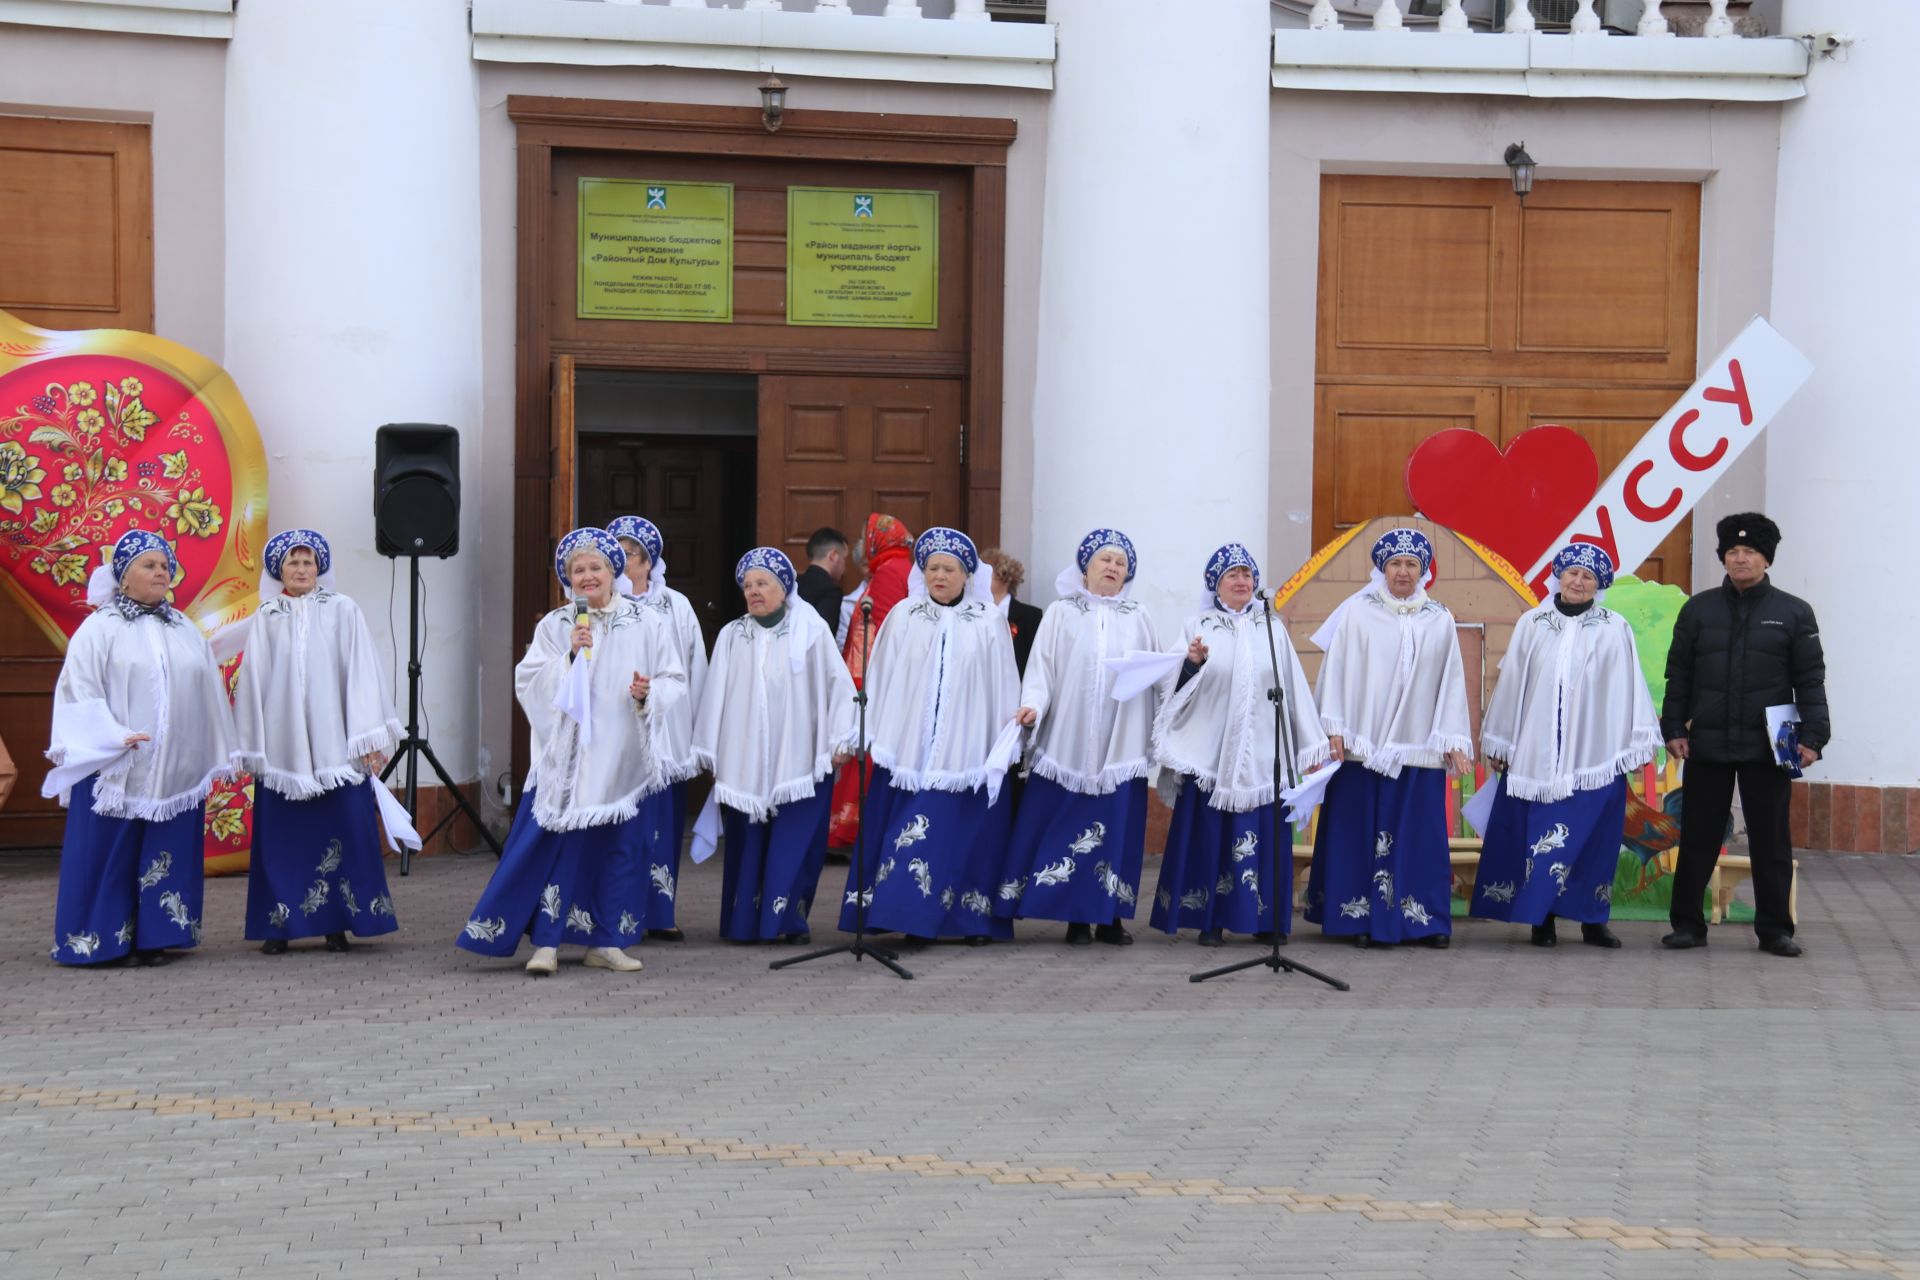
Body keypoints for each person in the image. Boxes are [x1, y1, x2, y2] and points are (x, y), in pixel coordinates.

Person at [456, 528, 678, 976]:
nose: (588, 576)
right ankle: (547, 944)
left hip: (621, 760)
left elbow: (673, 678)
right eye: (578, 570)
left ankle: (607, 943)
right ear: (568, 578)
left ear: (613, 571)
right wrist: (567, 661)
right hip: (569, 763)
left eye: (596, 567)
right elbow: (529, 682)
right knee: (563, 850)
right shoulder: (556, 625)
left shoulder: (647, 621)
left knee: (619, 851)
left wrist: (646, 694)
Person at [44, 529, 237, 967]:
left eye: (165, 566)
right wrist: (112, 734)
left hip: (173, 769)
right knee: (111, 851)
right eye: (149, 565)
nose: (160, 573)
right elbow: (78, 692)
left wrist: (217, 747)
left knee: (163, 850)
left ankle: (155, 937)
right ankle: (101, 941)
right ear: (123, 577)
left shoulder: (184, 627)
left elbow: (208, 690)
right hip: (116, 766)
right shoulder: (99, 628)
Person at [1470, 544, 1659, 949]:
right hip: (1538, 757)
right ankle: (1543, 920)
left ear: (1600, 585)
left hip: (1596, 755)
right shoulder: (1533, 622)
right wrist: (1502, 739)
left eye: (1588, 576)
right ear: (1558, 576)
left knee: (1595, 842)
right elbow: (1513, 684)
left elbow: (1629, 687)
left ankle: (1593, 920)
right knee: (1540, 839)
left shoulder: (1614, 627)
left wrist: (1637, 739)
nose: (1578, 581)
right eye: (1572, 573)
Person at [838, 528, 1020, 947]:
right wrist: (868, 732)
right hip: (909, 750)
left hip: (967, 748)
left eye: (949, 569)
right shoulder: (904, 615)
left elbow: (1003, 684)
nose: (940, 575)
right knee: (912, 832)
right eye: (933, 568)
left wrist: (1006, 739)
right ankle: (913, 919)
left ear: (967, 574)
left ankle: (970, 922)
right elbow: (881, 676)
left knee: (965, 839)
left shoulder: (988, 619)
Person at [1661, 513, 1827, 958]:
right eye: (1732, 552)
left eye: (1749, 551)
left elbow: (1810, 680)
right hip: (1709, 739)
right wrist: (1674, 728)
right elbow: (1678, 674)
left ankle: (1775, 930)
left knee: (1771, 838)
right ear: (1723, 558)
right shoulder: (1698, 609)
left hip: (1774, 740)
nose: (1740, 559)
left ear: (1766, 559)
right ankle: (1688, 925)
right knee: (1698, 834)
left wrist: (1813, 737)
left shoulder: (1793, 612)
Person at [232, 529, 403, 955]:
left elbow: (362, 671)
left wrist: (365, 736)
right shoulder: (267, 616)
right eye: (293, 562)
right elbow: (253, 681)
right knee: (282, 838)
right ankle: (279, 926)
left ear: (320, 567)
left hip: (336, 748)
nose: (302, 569)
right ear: (280, 570)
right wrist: (254, 745)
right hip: (283, 751)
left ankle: (337, 923)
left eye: (309, 562)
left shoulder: (343, 610)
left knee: (342, 830)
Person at [1150, 544, 1330, 946]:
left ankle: (1267, 922)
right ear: (1215, 583)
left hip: (1264, 755)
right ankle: (1209, 920)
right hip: (1210, 754)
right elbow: (1169, 689)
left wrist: (1309, 744)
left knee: (1264, 839)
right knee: (1211, 838)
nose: (1241, 581)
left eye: (1247, 575)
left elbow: (1294, 687)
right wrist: (1191, 663)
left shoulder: (1272, 627)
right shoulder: (1197, 624)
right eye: (1232, 575)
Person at [1303, 528, 1472, 949]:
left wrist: (1452, 738)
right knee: (1357, 833)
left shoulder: (1440, 618)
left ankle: (1424, 920)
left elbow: (1451, 680)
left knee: (1420, 836)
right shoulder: (1357, 613)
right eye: (1395, 564)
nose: (1402, 572)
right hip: (1364, 747)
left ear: (1424, 571)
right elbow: (1337, 672)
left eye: (1411, 564)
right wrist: (1334, 729)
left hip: (1417, 748)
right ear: (1381, 568)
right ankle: (1354, 918)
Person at [995, 528, 1160, 946]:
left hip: (1121, 742)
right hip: (1068, 740)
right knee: (1067, 825)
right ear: (1084, 567)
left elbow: (1159, 675)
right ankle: (1075, 918)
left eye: (1121, 563)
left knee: (1116, 828)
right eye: (1105, 560)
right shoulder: (1061, 613)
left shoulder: (1139, 615)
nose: (1112, 568)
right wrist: (1033, 704)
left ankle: (1110, 918)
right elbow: (1042, 670)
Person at [693, 548, 857, 944]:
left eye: (762, 583)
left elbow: (839, 686)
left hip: (801, 756)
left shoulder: (811, 629)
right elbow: (715, 693)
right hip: (746, 757)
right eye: (748, 586)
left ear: (784, 589)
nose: (753, 591)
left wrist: (840, 738)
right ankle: (745, 924)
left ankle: (786, 922)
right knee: (748, 843)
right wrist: (712, 750)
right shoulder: (734, 634)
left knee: (795, 843)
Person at [607, 514, 710, 943]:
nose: (620, 563)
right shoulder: (603, 605)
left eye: (628, 555)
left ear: (649, 562)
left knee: (663, 826)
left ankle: (659, 913)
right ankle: (616, 911)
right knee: (621, 827)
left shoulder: (676, 605)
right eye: (614, 554)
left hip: (667, 735)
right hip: (617, 732)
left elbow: (694, 668)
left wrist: (700, 735)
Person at [828, 513, 913, 850]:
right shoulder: (905, 567)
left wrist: (857, 682)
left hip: (879, 678)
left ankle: (850, 829)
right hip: (898, 677)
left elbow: (873, 629)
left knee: (867, 749)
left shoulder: (889, 572)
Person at [983, 547, 1045, 678]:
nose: (981, 578)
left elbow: (1035, 662)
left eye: (987, 573)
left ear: (1004, 576)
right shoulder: (975, 613)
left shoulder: (1031, 616)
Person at [796, 526, 849, 634]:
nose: (845, 568)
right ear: (834, 556)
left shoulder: (794, 584)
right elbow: (824, 637)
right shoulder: (831, 591)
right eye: (844, 558)